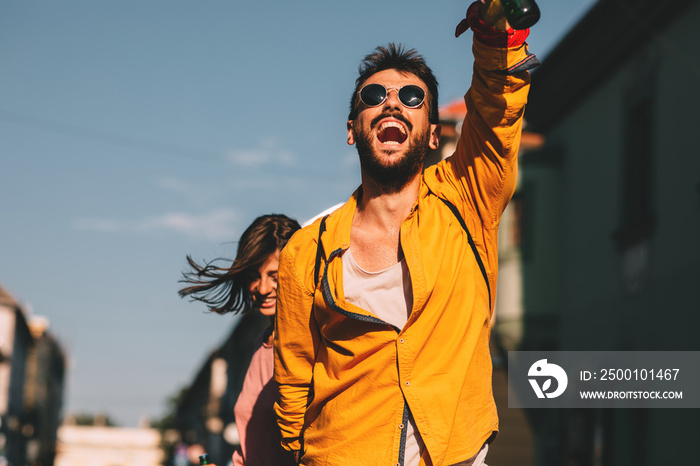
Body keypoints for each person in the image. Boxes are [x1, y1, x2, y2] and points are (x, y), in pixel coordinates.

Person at [273, 1, 539, 465]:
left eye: (411, 98)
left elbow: (496, 114)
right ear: (353, 129)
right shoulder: (306, 251)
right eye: (372, 96)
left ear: (433, 134)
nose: (391, 102)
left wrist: (498, 43)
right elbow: (294, 381)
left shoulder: (468, 198)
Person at [179, 214, 300, 466]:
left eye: (275, 276)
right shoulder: (261, 345)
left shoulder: (314, 345)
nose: (263, 288)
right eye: (254, 276)